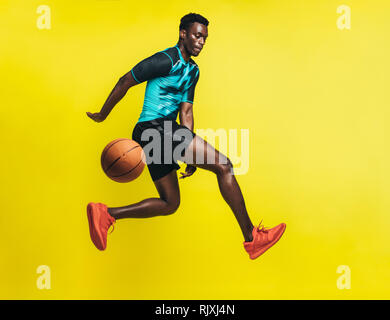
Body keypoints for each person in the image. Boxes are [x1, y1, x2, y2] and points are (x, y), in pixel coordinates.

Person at [86, 13, 286, 260]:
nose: (201, 41)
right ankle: (252, 238)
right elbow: (125, 80)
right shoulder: (165, 59)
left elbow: (186, 111)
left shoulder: (192, 70)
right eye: (197, 35)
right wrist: (103, 114)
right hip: (154, 128)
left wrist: (190, 153)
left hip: (163, 131)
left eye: (205, 38)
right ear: (183, 33)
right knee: (224, 166)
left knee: (170, 203)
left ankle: (106, 214)